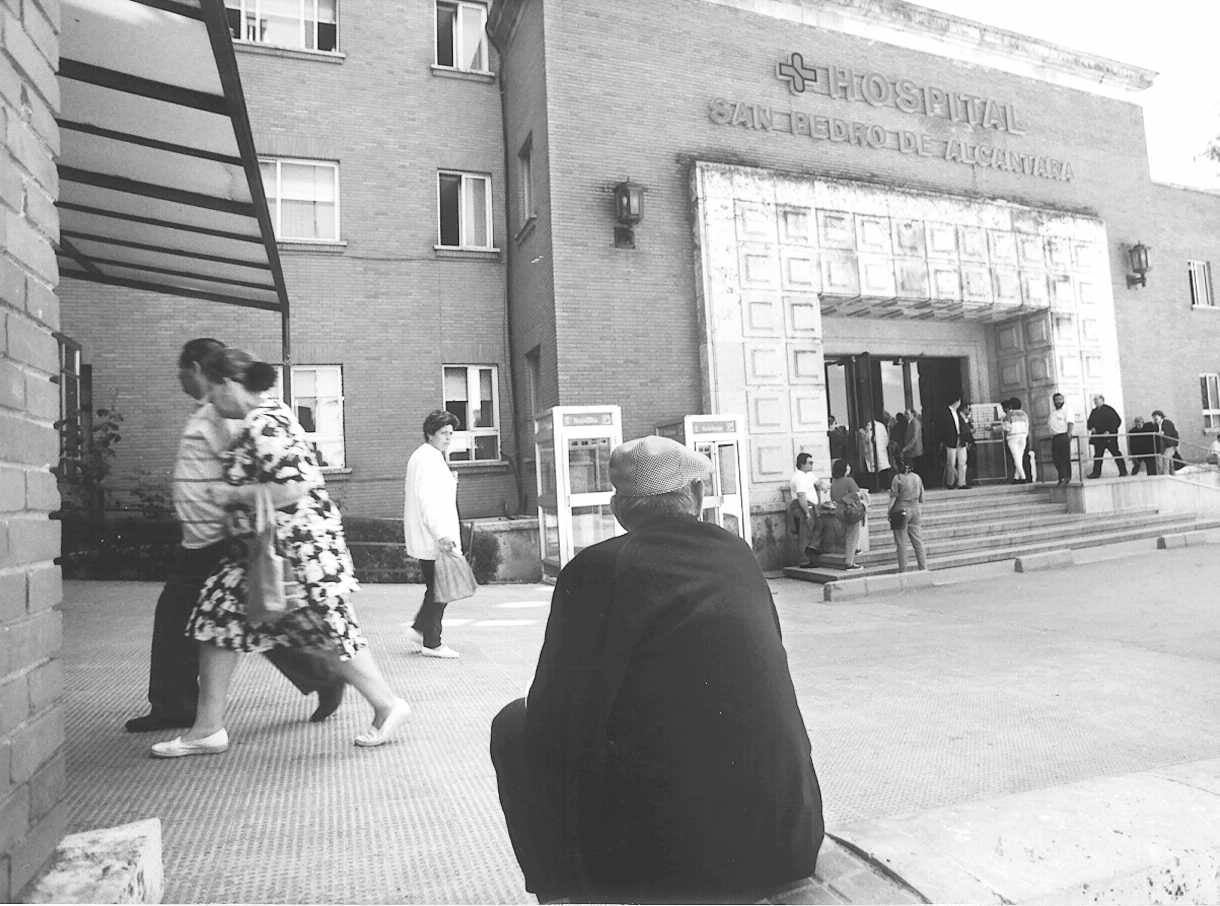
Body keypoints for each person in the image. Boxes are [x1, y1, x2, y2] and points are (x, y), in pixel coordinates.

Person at [489, 435, 825, 904]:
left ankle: (564, 889)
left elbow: (554, 714)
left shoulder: (594, 569)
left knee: (512, 725)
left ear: (617, 508)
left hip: (667, 863)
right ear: (698, 497)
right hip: (785, 838)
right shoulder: (737, 554)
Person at [151, 348, 409, 757]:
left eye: (215, 392)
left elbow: (292, 487)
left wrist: (229, 493)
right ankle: (207, 727)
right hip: (280, 550)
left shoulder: (264, 421)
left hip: (293, 552)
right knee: (218, 621)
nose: (212, 402)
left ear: (230, 384)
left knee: (328, 630)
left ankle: (387, 705)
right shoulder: (267, 415)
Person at [124, 339, 345, 734]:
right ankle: (321, 677)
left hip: (218, 537)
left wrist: (233, 502)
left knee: (245, 618)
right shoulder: (212, 409)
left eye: (183, 374)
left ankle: (324, 676)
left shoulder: (227, 412)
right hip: (203, 536)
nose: (181, 382)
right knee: (247, 619)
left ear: (199, 370)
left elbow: (259, 464)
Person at [403, 409, 464, 659]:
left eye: (451, 433)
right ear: (430, 434)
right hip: (435, 537)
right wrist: (442, 535)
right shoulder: (428, 459)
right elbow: (429, 501)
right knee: (441, 589)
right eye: (443, 433)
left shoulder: (427, 456)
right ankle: (432, 642)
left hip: (431, 536)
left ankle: (420, 629)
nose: (448, 438)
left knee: (436, 588)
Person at [888, 457, 927, 572]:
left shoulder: (897, 478)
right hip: (915, 509)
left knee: (901, 543)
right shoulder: (917, 478)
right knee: (918, 541)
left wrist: (889, 511)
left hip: (900, 509)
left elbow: (893, 498)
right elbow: (922, 498)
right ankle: (923, 567)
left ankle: (903, 570)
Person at [829, 458, 865, 570]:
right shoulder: (849, 480)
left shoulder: (833, 482)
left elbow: (833, 497)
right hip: (850, 510)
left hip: (839, 510)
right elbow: (857, 494)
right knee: (852, 535)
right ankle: (849, 562)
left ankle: (852, 552)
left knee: (847, 534)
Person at [788, 452, 822, 567]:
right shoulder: (799, 477)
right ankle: (805, 560)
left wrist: (823, 485)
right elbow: (801, 496)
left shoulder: (808, 475)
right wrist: (807, 512)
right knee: (805, 533)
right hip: (804, 506)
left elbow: (818, 483)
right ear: (802, 464)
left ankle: (811, 549)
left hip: (812, 505)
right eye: (810, 463)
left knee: (817, 527)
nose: (812, 465)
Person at [1086, 394, 1127, 478]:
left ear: (1102, 400)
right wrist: (1091, 427)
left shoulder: (1109, 410)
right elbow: (1089, 423)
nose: (1095, 401)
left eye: (1097, 400)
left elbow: (1117, 421)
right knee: (1097, 455)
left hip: (1109, 437)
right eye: (1094, 400)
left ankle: (1123, 471)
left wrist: (1109, 431)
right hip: (1098, 437)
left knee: (1116, 453)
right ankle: (1096, 473)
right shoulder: (1094, 411)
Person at [935, 395, 969, 489]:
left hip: (960, 439)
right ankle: (950, 483)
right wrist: (943, 440)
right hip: (950, 440)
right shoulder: (945, 412)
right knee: (951, 462)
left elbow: (962, 427)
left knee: (962, 461)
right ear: (956, 401)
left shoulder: (958, 413)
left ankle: (962, 483)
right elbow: (942, 428)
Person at [1047, 392, 1075, 486]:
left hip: (1063, 435)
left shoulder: (1067, 410)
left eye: (1060, 399)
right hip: (1055, 437)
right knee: (1056, 458)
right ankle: (1061, 477)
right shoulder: (1053, 412)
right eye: (1056, 400)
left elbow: (1070, 422)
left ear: (1063, 400)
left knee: (1064, 458)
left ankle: (1066, 477)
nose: (1058, 401)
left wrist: (1069, 434)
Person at [1002, 396, 1031, 482]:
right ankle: (1016, 477)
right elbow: (1027, 426)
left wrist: (994, 429)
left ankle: (1023, 477)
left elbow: (1006, 427)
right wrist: (1024, 435)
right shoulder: (1024, 414)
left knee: (1016, 458)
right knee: (1019, 457)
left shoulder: (1009, 414)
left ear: (1010, 405)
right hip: (1023, 437)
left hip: (1013, 437)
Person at [1151, 409, 1183, 474]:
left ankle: (1166, 476)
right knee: (1169, 461)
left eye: (1156, 416)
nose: (1154, 418)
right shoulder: (1155, 425)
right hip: (1163, 446)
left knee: (1165, 459)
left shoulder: (1167, 423)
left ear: (1161, 416)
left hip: (1171, 444)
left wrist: (1163, 434)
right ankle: (1172, 474)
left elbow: (1169, 433)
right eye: (1153, 417)